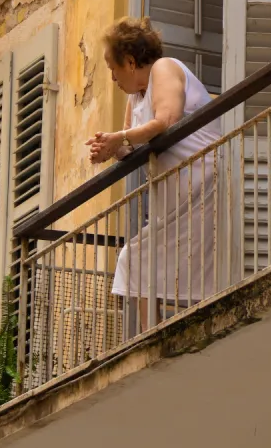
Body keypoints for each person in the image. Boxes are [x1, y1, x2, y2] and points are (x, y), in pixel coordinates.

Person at [86, 17, 221, 332]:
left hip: (202, 185)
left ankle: (162, 333)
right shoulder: (135, 97)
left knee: (191, 264)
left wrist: (120, 137)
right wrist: (110, 149)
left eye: (112, 68)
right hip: (171, 199)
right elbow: (132, 147)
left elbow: (167, 120)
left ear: (130, 62)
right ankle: (154, 333)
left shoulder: (165, 68)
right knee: (135, 260)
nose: (112, 78)